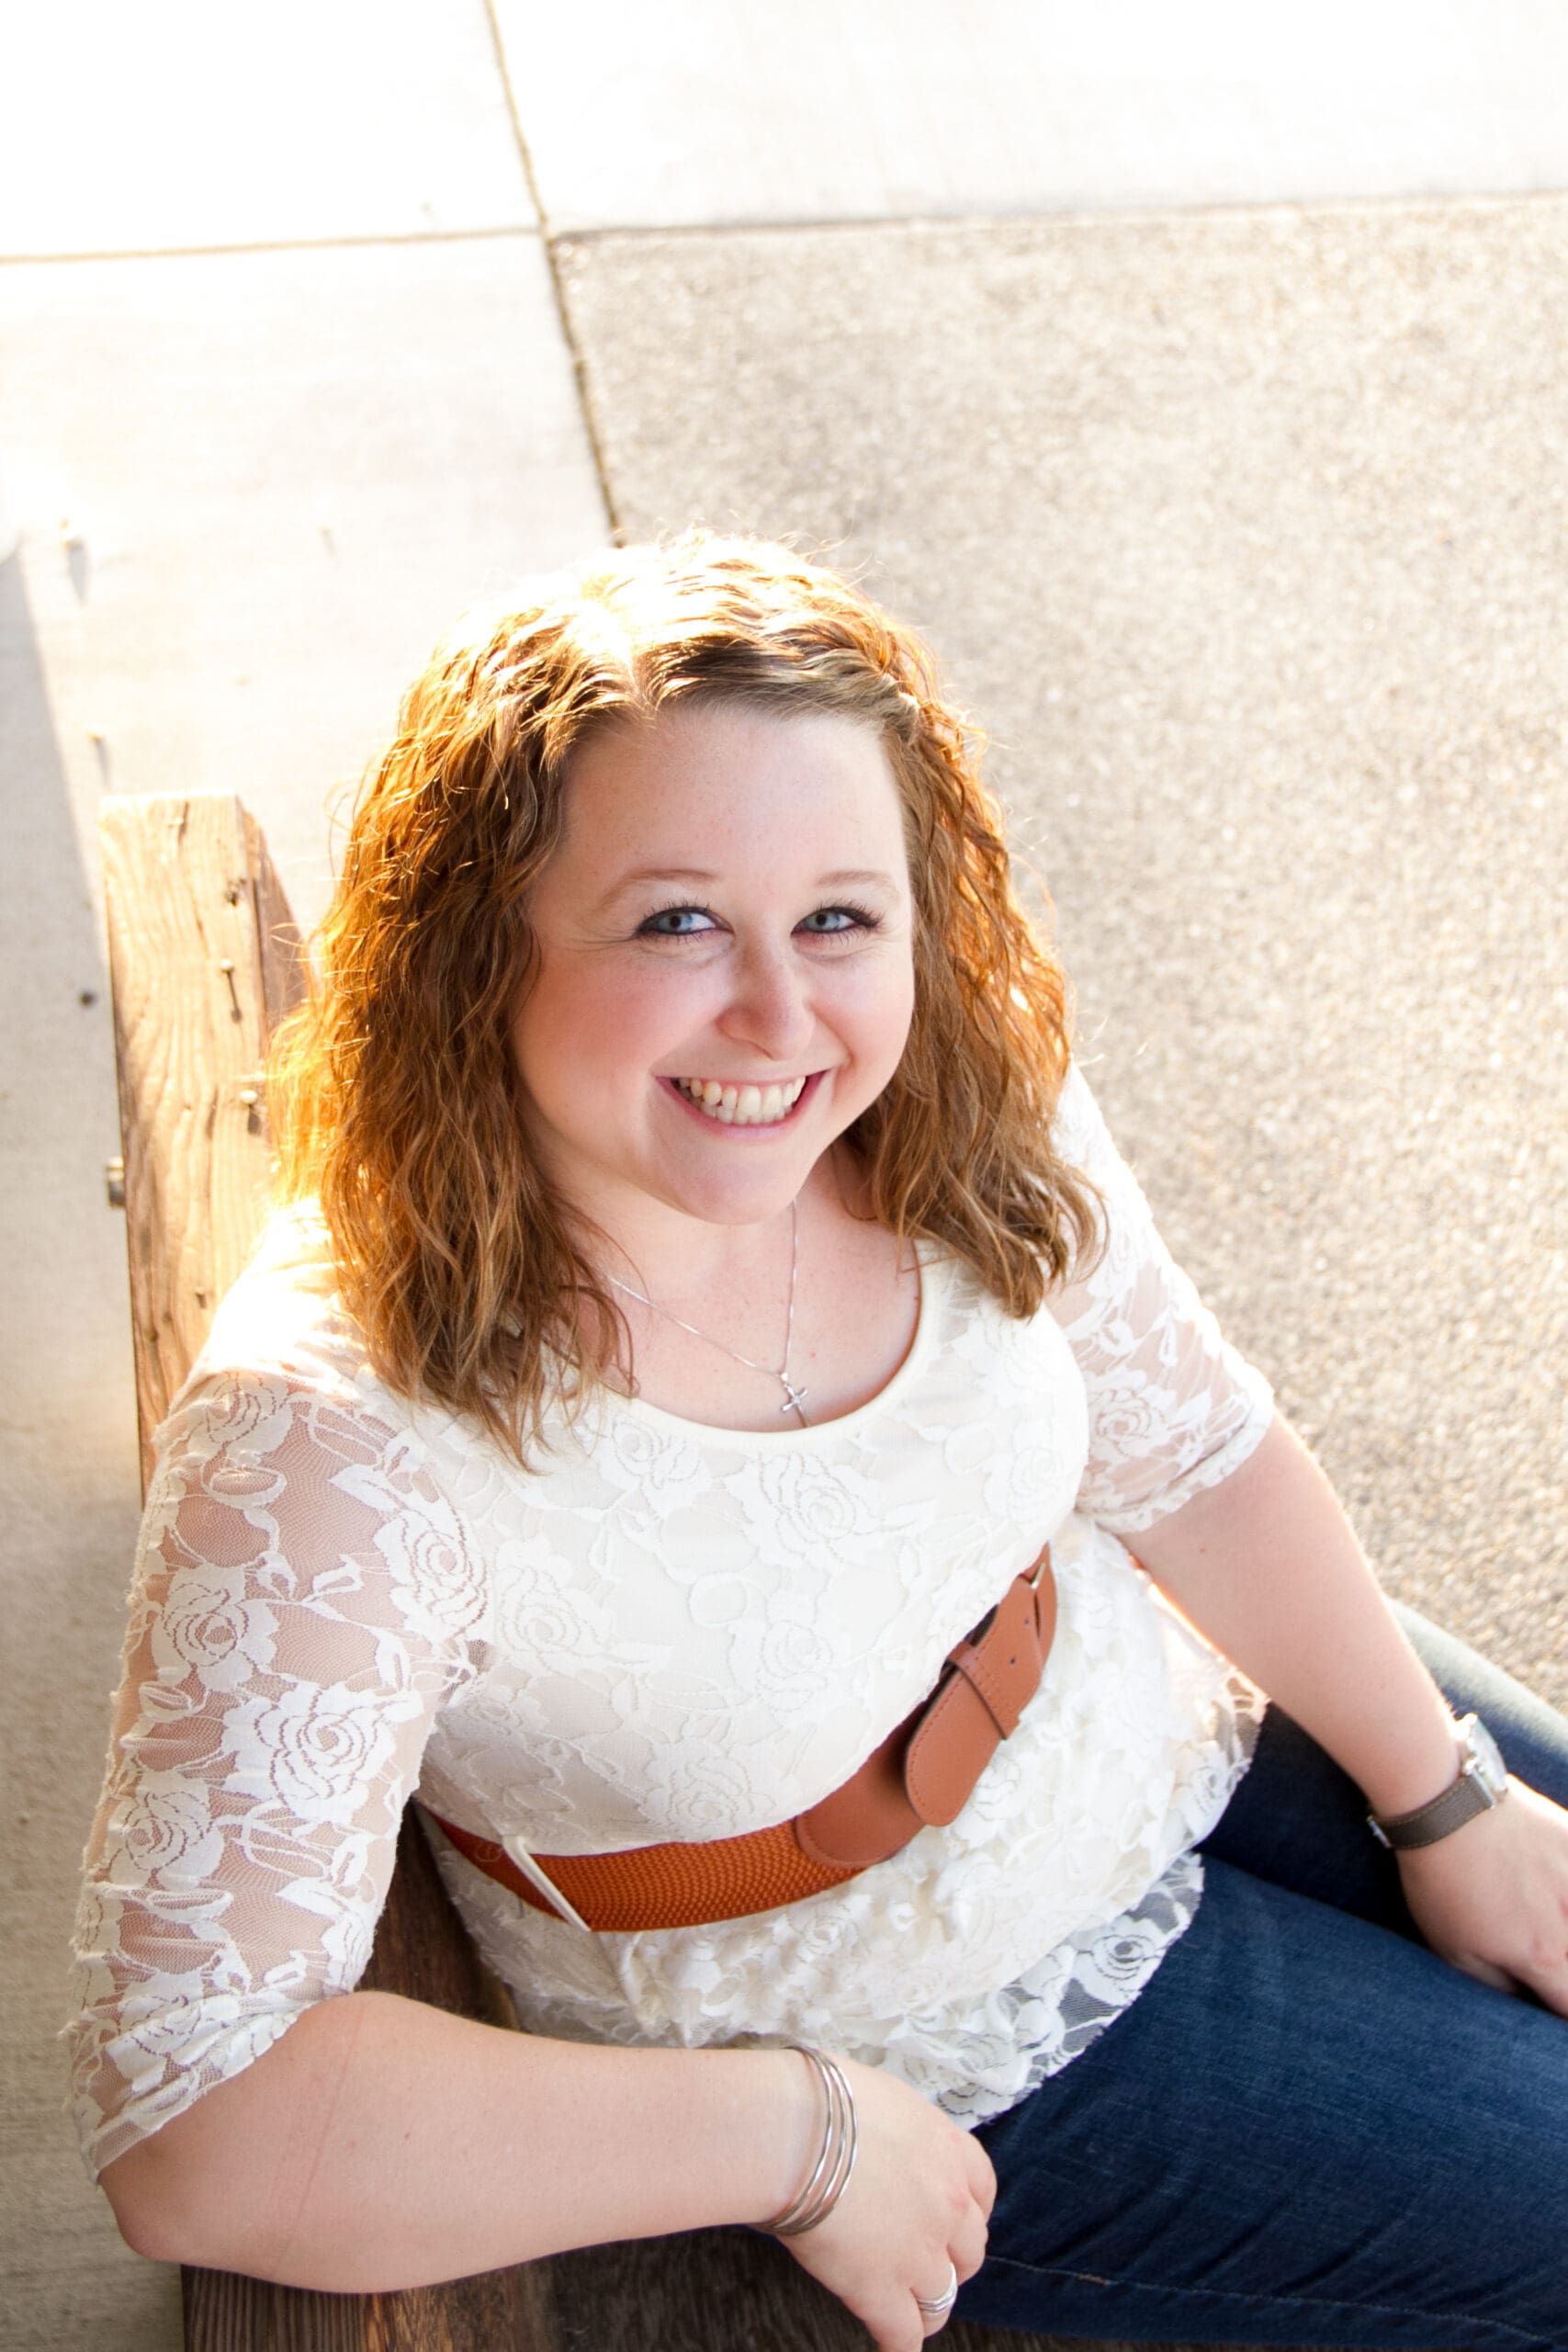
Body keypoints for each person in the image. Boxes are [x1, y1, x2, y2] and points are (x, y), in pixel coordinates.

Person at [70, 536, 1568, 2352]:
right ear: (475, 948)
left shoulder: (941, 1079)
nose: (783, 1020)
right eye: (675, 919)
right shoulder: (327, 1455)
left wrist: (1444, 1796)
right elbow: (197, 2117)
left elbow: (1186, 1450)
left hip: (1161, 1705)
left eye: (839, 916)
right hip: (944, 2012)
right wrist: (797, 2131)